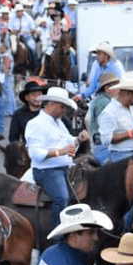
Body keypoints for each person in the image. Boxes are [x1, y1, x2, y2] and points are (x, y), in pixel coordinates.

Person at [25, 87, 89, 230]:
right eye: (62, 107)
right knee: (62, 198)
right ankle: (57, 232)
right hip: (46, 170)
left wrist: (78, 139)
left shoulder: (59, 123)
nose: (64, 110)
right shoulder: (36, 123)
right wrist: (60, 152)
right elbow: (35, 153)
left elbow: (68, 141)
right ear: (51, 104)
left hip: (63, 167)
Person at [89, 72, 120, 165]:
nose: (119, 89)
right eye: (116, 86)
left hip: (101, 145)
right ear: (107, 88)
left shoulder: (101, 100)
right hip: (104, 147)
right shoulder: (105, 103)